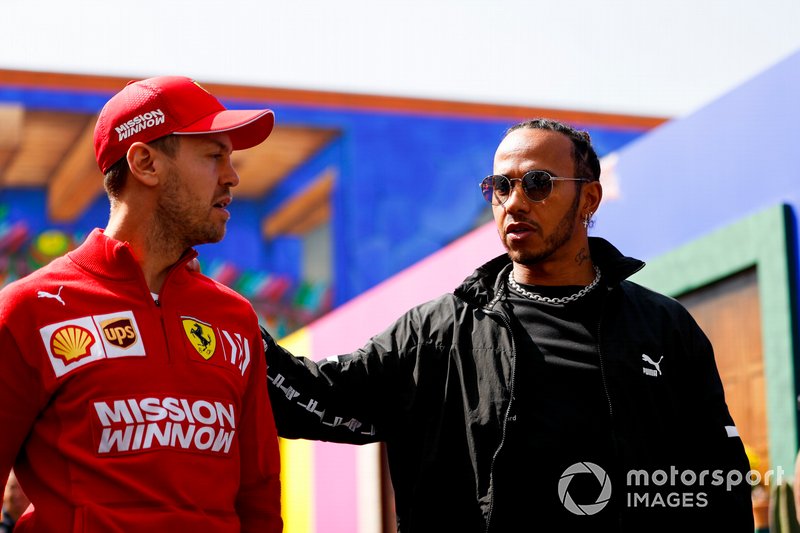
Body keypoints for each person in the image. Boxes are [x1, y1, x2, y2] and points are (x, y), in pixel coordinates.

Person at [262, 118, 754, 532]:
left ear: (589, 199)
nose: (513, 202)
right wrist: (222, 317)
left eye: (537, 183)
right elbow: (314, 397)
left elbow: (717, 482)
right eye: (500, 186)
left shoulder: (663, 328)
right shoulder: (436, 332)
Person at [0, 76, 283, 532]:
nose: (232, 176)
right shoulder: (29, 310)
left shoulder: (236, 318)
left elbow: (260, 500)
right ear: (145, 163)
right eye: (214, 155)